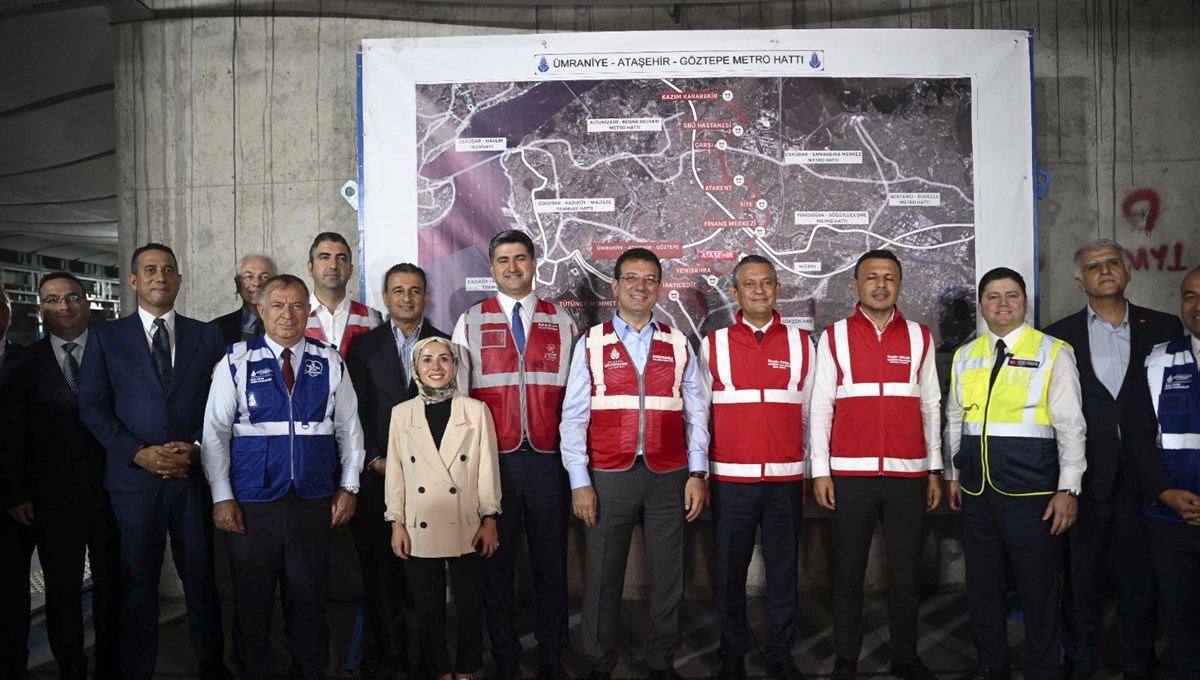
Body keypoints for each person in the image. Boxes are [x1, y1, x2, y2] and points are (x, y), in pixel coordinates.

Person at [78, 243, 230, 680]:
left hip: (191, 479)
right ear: (133, 280)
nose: (159, 276)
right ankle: (136, 669)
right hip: (133, 484)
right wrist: (138, 453)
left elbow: (222, 406)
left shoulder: (207, 336)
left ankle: (212, 666)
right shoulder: (105, 337)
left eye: (168, 269)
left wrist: (198, 447)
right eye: (149, 269)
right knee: (137, 584)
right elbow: (92, 407)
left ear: (179, 280)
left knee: (201, 580)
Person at [201, 273, 365, 680]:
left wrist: (349, 485)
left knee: (309, 598)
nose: (287, 314)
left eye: (296, 305)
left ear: (307, 310)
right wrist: (222, 496)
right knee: (253, 600)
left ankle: (310, 670)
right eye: (277, 305)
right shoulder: (235, 361)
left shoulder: (329, 360)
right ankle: (252, 671)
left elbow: (349, 429)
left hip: (313, 501)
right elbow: (214, 435)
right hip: (253, 503)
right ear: (261, 309)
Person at [559, 247, 710, 680]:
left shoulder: (678, 342)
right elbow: (574, 415)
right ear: (615, 286)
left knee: (668, 576)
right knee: (603, 575)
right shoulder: (591, 342)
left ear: (659, 287)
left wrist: (697, 473)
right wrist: (579, 481)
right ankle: (599, 661)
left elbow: (696, 412)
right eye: (631, 278)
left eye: (649, 279)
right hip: (608, 476)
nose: (640, 286)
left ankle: (662, 660)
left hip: (669, 475)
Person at [1042, 239, 1180, 679]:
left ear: (1128, 272)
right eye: (1093, 266)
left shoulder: (1164, 327)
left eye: (1112, 263)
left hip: (1148, 480)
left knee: (1140, 581)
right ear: (1080, 281)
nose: (1104, 271)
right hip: (1087, 480)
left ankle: (1139, 661)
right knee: (1081, 581)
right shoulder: (1057, 336)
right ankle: (1081, 661)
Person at [945, 267, 1086, 680]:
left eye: (1011, 295)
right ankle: (992, 665)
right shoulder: (965, 354)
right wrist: (955, 474)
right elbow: (956, 418)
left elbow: (1071, 425)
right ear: (980, 305)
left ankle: (1044, 668)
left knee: (1039, 588)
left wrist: (1069, 489)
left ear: (1025, 302)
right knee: (983, 589)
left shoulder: (1052, 351)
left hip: (1033, 494)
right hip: (977, 493)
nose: (1002, 303)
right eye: (993, 296)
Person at [808, 249, 943, 680]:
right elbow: (821, 406)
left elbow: (931, 405)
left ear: (899, 285)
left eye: (889, 277)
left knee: (905, 577)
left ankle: (906, 656)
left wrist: (934, 469)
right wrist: (821, 470)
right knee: (847, 575)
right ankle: (846, 658)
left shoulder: (921, 336)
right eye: (871, 277)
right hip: (850, 476)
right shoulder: (834, 337)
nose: (880, 284)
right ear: (856, 286)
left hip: (908, 475)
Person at [451, 230, 575, 680]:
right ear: (491, 268)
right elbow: (459, 401)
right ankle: (504, 658)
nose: (512, 267)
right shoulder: (469, 321)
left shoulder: (562, 321)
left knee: (551, 566)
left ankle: (551, 657)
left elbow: (575, 401)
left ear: (534, 263)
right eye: (502, 260)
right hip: (494, 462)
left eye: (520, 258)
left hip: (548, 461)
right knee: (495, 566)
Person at [1, 273, 121, 680]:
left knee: (112, 587)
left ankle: (110, 664)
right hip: (52, 500)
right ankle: (71, 665)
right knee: (63, 590)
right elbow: (13, 434)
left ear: (87, 304)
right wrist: (17, 493)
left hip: (112, 492)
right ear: (40, 310)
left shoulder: (115, 354)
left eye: (72, 297)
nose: (64, 306)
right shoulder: (23, 364)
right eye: (53, 300)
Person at [699, 255, 813, 680]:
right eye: (750, 284)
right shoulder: (713, 345)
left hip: (786, 480)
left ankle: (780, 652)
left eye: (767, 283)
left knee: (784, 570)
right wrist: (703, 474)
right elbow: (699, 414)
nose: (760, 291)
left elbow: (810, 413)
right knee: (730, 570)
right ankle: (732, 650)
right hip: (732, 481)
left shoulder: (803, 344)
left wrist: (807, 470)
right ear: (735, 293)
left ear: (777, 289)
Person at [346, 263, 447, 680]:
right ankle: (390, 655)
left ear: (426, 297)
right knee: (382, 571)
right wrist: (374, 458)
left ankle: (432, 656)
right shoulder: (364, 347)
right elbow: (353, 412)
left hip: (432, 479)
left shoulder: (443, 343)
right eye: (398, 290)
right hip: (379, 476)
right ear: (385, 299)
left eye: (415, 290)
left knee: (424, 573)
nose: (407, 298)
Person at [385, 337, 501, 680]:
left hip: (467, 521)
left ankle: (465, 670)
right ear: (415, 367)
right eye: (427, 360)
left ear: (455, 365)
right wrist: (396, 522)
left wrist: (489, 518)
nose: (436, 367)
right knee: (428, 607)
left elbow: (487, 470)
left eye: (444, 359)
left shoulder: (475, 411)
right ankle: (438, 671)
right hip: (419, 522)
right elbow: (396, 473)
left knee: (468, 604)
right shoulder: (401, 414)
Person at [1135, 265, 1200, 680]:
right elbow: (1139, 440)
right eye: (1190, 296)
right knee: (1182, 623)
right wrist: (1165, 492)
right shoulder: (1159, 359)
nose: (1197, 305)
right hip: (1171, 518)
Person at [0, 286, 31, 680]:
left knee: (10, 591)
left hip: (13, 500)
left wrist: (18, 492)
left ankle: (13, 667)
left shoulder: (27, 362)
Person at [304, 231, 381, 356]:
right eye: (324, 257)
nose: (333, 265)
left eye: (341, 258)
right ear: (310, 268)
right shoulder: (294, 315)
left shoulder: (369, 318)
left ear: (350, 270)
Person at [211, 253, 278, 346]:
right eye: (249, 277)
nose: (257, 283)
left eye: (264, 277)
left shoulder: (290, 323)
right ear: (237, 283)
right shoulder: (216, 328)